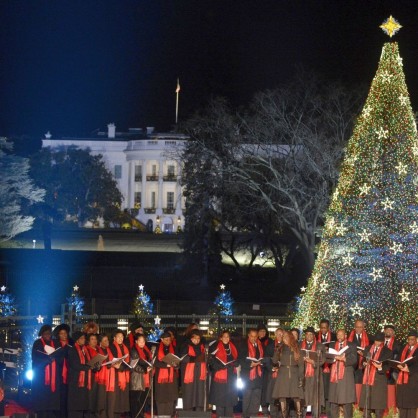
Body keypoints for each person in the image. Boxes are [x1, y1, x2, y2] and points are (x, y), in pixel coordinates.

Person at [359, 332, 392, 418]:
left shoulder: (387, 351)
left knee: (378, 407)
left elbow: (388, 366)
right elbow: (363, 361)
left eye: (379, 341)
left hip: (379, 380)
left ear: (383, 341)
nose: (377, 343)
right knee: (367, 406)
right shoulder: (368, 348)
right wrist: (364, 363)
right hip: (367, 379)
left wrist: (380, 367)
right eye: (376, 341)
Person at [271, 330, 304, 418]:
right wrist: (277, 350)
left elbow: (301, 365)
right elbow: (274, 361)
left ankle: (299, 415)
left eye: (286, 337)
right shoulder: (280, 348)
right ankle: (284, 415)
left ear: (290, 338)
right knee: (282, 397)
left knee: (296, 397)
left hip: (294, 374)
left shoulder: (297, 348)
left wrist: (301, 378)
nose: (284, 338)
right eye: (283, 337)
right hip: (283, 374)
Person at [31, 324, 61, 418]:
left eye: (49, 334)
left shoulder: (55, 343)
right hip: (41, 378)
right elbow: (35, 360)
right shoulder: (38, 343)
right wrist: (47, 360)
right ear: (42, 334)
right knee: (42, 406)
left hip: (53, 378)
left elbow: (60, 357)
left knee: (51, 406)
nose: (48, 336)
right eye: (46, 334)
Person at [208, 330, 238, 418]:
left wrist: (235, 363)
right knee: (220, 399)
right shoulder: (215, 346)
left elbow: (236, 359)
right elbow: (211, 361)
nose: (226, 338)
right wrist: (220, 366)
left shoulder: (233, 347)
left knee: (230, 399)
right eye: (224, 336)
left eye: (228, 337)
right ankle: (220, 416)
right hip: (219, 375)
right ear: (220, 337)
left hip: (231, 376)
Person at [328, 329, 357, 418]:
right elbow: (327, 359)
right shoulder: (332, 345)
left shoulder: (351, 345)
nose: (339, 337)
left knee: (347, 402)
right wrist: (334, 358)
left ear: (345, 335)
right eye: (338, 335)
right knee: (334, 401)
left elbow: (354, 360)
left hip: (346, 376)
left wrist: (344, 359)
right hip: (334, 376)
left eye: (341, 335)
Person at [67, 331, 95, 418]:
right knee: (76, 406)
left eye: (84, 338)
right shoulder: (72, 350)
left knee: (83, 406)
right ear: (77, 340)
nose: (84, 340)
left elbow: (89, 362)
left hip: (85, 382)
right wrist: (88, 367)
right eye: (81, 338)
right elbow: (75, 365)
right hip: (76, 381)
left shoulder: (85, 350)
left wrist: (95, 365)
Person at [239, 328, 265, 418]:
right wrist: (250, 364)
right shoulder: (243, 345)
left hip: (258, 376)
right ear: (248, 336)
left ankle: (254, 415)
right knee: (247, 397)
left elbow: (263, 357)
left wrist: (261, 362)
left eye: (255, 336)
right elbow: (240, 360)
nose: (254, 338)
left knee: (256, 397)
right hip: (247, 376)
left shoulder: (260, 345)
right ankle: (245, 416)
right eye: (252, 336)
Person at [301, 326, 326, 418]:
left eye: (311, 334)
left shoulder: (320, 345)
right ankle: (302, 415)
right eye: (307, 334)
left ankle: (316, 416)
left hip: (315, 374)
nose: (309, 336)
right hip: (303, 374)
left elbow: (323, 359)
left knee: (316, 396)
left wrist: (314, 362)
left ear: (314, 336)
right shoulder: (300, 345)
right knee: (303, 396)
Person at [179, 330, 207, 411]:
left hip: (200, 375)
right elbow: (182, 358)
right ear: (191, 338)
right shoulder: (185, 345)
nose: (196, 340)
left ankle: (199, 412)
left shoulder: (202, 347)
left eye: (198, 338)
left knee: (200, 395)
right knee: (189, 394)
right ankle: (188, 413)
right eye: (194, 338)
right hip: (189, 376)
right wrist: (194, 359)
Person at [154, 331, 179, 416]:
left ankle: (169, 415)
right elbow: (155, 363)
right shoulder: (157, 349)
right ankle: (161, 415)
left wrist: (176, 365)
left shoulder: (174, 348)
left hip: (172, 378)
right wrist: (166, 365)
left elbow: (177, 361)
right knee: (161, 398)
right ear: (161, 339)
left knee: (170, 397)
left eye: (169, 340)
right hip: (160, 377)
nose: (168, 341)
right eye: (166, 340)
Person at [108, 329, 130, 418]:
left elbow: (127, 360)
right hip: (116, 375)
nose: (121, 339)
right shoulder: (112, 347)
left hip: (124, 373)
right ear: (114, 338)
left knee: (122, 398)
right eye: (119, 337)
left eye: (122, 337)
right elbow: (112, 360)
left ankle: (121, 413)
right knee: (116, 398)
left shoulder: (125, 347)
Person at [130, 333, 153, 418]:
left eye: (143, 341)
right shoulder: (133, 350)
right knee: (137, 399)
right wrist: (144, 369)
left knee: (143, 399)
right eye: (140, 341)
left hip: (145, 377)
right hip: (137, 377)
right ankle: (137, 416)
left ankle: (141, 415)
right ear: (136, 341)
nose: (142, 343)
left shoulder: (146, 350)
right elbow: (134, 364)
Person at [396, 329, 418, 418]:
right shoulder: (403, 348)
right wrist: (398, 365)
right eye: (409, 339)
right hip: (402, 379)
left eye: (412, 339)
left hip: (413, 379)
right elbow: (398, 359)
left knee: (411, 405)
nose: (410, 341)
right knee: (402, 404)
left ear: (416, 339)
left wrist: (409, 369)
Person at [317, 319, 336, 417]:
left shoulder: (334, 336)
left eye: (325, 327)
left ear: (328, 328)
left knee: (328, 390)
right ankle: (319, 411)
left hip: (330, 367)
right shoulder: (316, 336)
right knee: (319, 389)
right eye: (321, 327)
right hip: (319, 367)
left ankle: (328, 412)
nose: (323, 329)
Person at [348, 319, 370, 404]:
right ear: (354, 327)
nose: (358, 329)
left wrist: (363, 354)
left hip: (362, 365)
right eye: (357, 327)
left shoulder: (369, 337)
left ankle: (359, 403)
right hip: (351, 364)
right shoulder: (349, 336)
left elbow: (370, 352)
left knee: (359, 384)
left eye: (360, 327)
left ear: (363, 328)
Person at [53, 323, 72, 418]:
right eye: (62, 333)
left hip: (69, 375)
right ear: (58, 335)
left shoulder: (71, 345)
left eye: (65, 333)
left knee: (67, 399)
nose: (64, 335)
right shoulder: (55, 345)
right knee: (60, 398)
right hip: (58, 375)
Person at [383, 324, 402, 410]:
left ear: (393, 333)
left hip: (392, 370)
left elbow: (398, 356)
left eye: (390, 330)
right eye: (387, 330)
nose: (388, 331)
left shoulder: (397, 343)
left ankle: (392, 408)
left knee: (392, 389)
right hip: (380, 369)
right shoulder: (379, 341)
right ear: (384, 331)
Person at [85, 333, 103, 418]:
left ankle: (96, 413)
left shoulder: (99, 349)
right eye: (92, 339)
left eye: (95, 339)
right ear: (88, 341)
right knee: (90, 396)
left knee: (97, 396)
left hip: (99, 375)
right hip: (90, 376)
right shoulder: (86, 350)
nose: (94, 341)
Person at [267, 328, 284, 418]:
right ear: (275, 335)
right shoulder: (270, 346)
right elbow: (267, 359)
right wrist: (273, 368)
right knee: (273, 395)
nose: (279, 336)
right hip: (273, 374)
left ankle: (282, 415)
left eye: (281, 334)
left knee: (282, 396)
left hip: (283, 375)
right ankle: (273, 415)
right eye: (278, 334)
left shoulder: (286, 346)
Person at [257, 324, 273, 415]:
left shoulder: (269, 341)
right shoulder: (255, 340)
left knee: (266, 389)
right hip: (257, 368)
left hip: (266, 369)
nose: (262, 333)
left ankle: (265, 407)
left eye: (264, 331)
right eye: (260, 331)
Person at [96, 334, 111, 418]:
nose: (107, 342)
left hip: (109, 376)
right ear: (100, 342)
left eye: (107, 340)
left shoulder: (109, 350)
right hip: (101, 377)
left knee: (107, 399)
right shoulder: (98, 350)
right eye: (105, 341)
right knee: (101, 399)